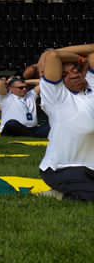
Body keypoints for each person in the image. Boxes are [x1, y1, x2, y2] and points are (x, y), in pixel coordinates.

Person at [36, 42, 94, 201]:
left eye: (74, 70)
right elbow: (53, 57)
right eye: (65, 74)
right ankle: (61, 194)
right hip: (63, 168)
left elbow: (93, 50)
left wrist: (81, 61)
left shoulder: (91, 86)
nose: (73, 74)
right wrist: (49, 54)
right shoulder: (56, 96)